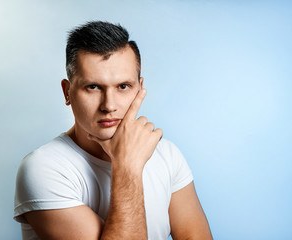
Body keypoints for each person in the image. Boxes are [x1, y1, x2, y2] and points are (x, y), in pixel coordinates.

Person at [14, 21, 212, 240]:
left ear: (140, 88)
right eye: (93, 87)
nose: (109, 105)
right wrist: (127, 165)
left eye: (123, 87)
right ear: (67, 92)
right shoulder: (44, 168)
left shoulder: (167, 154)